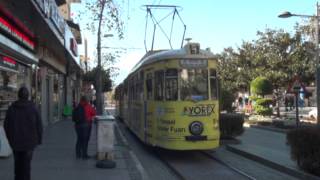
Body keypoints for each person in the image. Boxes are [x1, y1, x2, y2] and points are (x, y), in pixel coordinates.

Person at [4, 87, 43, 180]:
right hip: (29, 143)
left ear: (18, 95)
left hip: (16, 142)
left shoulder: (12, 108)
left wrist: (10, 139)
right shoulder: (33, 108)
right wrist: (39, 140)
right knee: (26, 166)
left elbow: (6, 126)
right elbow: (39, 126)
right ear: (28, 96)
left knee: (17, 166)